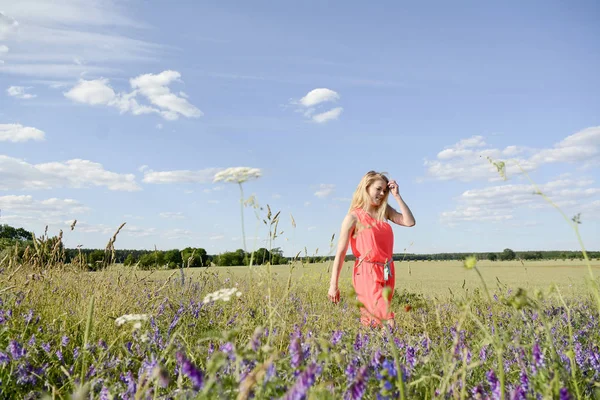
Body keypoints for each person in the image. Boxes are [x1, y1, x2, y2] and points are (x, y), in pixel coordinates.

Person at [327, 170, 416, 328]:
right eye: (378, 189)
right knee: (388, 321)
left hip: (388, 271)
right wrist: (333, 285)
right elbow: (340, 253)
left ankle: (366, 351)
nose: (382, 193)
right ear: (366, 187)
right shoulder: (353, 218)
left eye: (385, 190)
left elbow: (409, 222)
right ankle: (389, 351)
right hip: (366, 272)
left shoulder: (384, 211)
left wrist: (397, 196)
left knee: (372, 321)